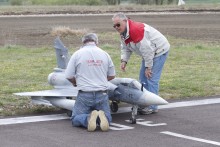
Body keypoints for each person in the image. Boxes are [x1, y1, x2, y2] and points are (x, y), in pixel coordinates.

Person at [112, 13, 170, 114]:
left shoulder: (136, 30)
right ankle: (144, 103)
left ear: (125, 21)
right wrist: (124, 61)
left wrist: (148, 67)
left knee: (151, 78)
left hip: (159, 50)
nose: (116, 27)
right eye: (114, 26)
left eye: (118, 25)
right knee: (142, 79)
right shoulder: (123, 32)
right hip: (149, 53)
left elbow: (148, 51)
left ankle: (152, 107)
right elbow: (125, 47)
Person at [65, 33, 115, 132]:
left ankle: (88, 119)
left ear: (83, 42)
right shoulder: (105, 54)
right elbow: (112, 75)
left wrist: (75, 82)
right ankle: (102, 119)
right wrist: (101, 80)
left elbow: (68, 75)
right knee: (108, 119)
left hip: (85, 94)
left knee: (75, 118)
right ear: (96, 42)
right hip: (102, 93)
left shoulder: (77, 54)